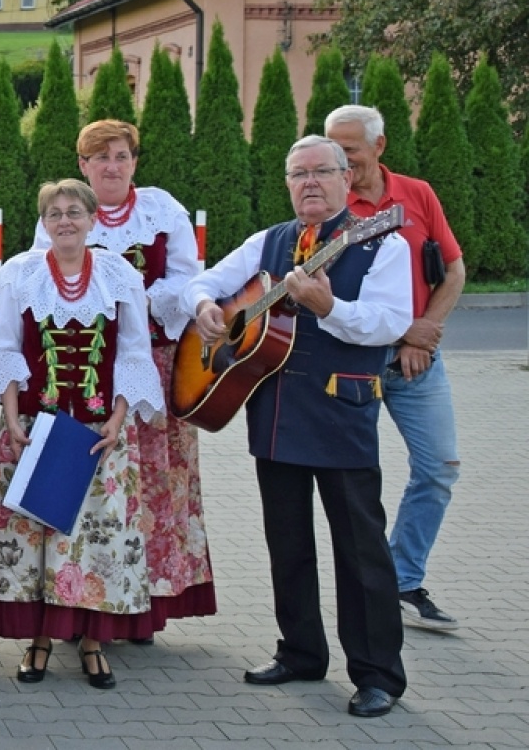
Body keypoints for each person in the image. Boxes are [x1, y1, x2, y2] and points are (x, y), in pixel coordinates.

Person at [182, 135, 411, 719]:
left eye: (321, 172)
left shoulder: (380, 241)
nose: (309, 182)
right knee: (287, 542)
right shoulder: (270, 241)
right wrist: (207, 307)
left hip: (342, 410)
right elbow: (204, 281)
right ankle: (301, 651)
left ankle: (377, 673)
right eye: (297, 173)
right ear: (287, 183)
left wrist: (329, 306)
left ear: (345, 179)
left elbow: (389, 322)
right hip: (277, 412)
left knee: (360, 550)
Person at [0, 178, 163, 690]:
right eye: (55, 212)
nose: (65, 221)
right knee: (37, 532)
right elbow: (5, 349)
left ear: (92, 218)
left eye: (74, 211)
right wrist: (11, 420)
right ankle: (39, 639)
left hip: (99, 430)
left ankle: (94, 641)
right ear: (44, 221)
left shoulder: (119, 274)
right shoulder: (22, 272)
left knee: (95, 536)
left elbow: (132, 353)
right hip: (36, 426)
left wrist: (118, 421)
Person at [31, 120, 215, 636]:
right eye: (100, 157)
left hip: (152, 361)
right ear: (82, 165)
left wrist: (132, 299)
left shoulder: (161, 208)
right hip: (80, 367)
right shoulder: (66, 210)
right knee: (85, 479)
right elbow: (40, 276)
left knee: (153, 479)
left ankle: (144, 601)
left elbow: (187, 275)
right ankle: (77, 595)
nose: (112, 165)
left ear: (135, 161)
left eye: (121, 156)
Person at [326, 105, 464, 632]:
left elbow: (453, 269)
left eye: (350, 151)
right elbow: (336, 294)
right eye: (333, 150)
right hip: (356, 362)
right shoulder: (331, 205)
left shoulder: (417, 194)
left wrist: (425, 331)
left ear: (379, 147)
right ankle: (372, 590)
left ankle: (403, 580)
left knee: (439, 467)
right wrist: (406, 332)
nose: (341, 162)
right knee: (356, 484)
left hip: (418, 363)